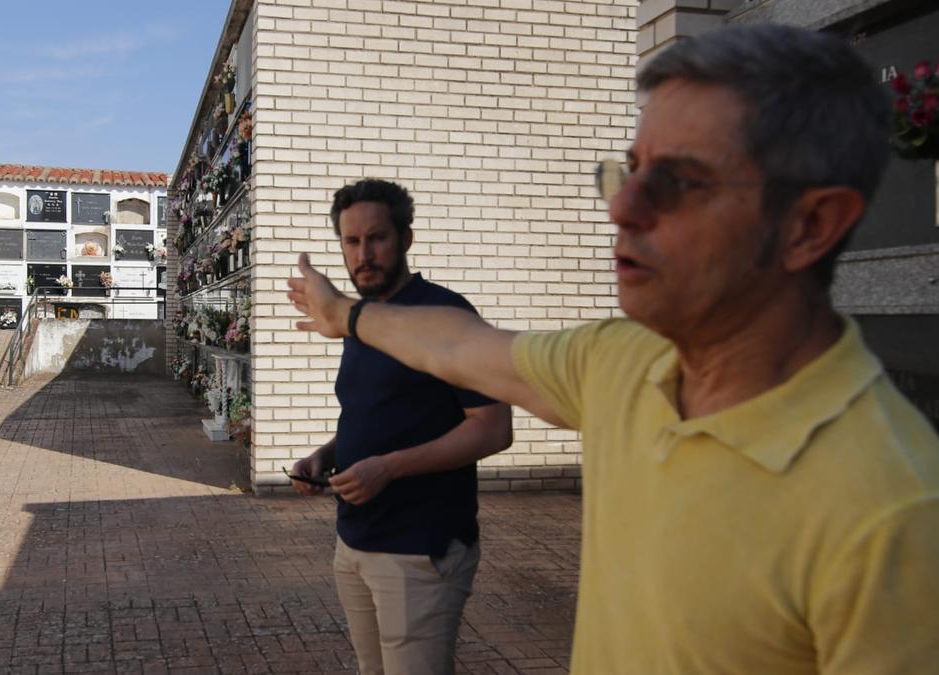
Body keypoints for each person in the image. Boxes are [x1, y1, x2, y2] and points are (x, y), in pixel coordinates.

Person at [287, 24, 939, 674]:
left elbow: (475, 392)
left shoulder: (894, 516)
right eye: (629, 171)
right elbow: (460, 347)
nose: (622, 205)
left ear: (808, 225)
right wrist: (343, 314)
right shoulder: (620, 362)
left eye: (678, 180)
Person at [289, 178, 513, 675]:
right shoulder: (359, 320)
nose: (363, 254)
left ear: (406, 238)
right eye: (351, 242)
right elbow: (377, 411)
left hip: (420, 550)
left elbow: (493, 428)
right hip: (354, 541)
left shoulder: (445, 314)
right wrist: (327, 455)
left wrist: (388, 468)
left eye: (377, 238)